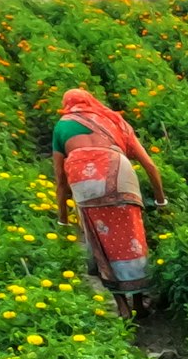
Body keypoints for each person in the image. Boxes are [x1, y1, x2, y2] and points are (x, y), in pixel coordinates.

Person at [53, 88, 168, 318]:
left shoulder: (62, 126)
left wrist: (63, 221)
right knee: (132, 239)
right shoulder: (115, 121)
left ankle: (122, 306)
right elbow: (150, 165)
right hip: (119, 173)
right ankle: (138, 302)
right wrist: (160, 199)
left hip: (85, 184)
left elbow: (60, 183)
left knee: (101, 244)